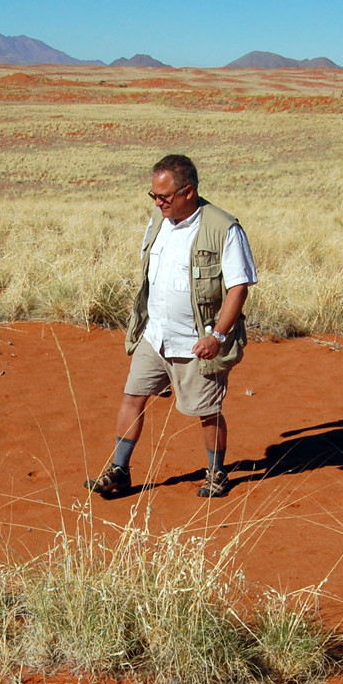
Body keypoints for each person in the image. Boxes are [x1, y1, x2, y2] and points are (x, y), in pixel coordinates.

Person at [86, 154, 256, 499]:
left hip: (197, 341)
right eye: (154, 195)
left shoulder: (223, 228)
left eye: (164, 196)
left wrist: (217, 336)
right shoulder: (159, 220)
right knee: (132, 396)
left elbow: (238, 287)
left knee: (207, 411)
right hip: (156, 334)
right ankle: (120, 469)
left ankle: (217, 473)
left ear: (188, 192)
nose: (158, 201)